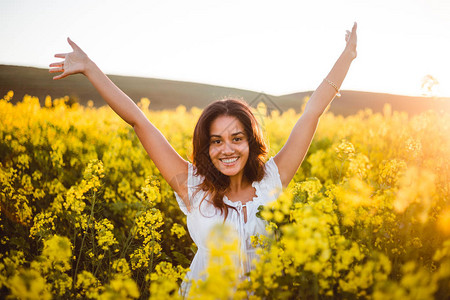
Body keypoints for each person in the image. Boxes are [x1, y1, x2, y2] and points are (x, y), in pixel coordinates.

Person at [49, 22, 357, 296]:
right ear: (205, 147)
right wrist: (90, 68)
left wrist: (347, 57)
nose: (227, 150)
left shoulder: (272, 179)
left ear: (250, 141)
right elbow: (139, 122)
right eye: (216, 141)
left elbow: (312, 112)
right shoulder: (191, 185)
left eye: (237, 139)